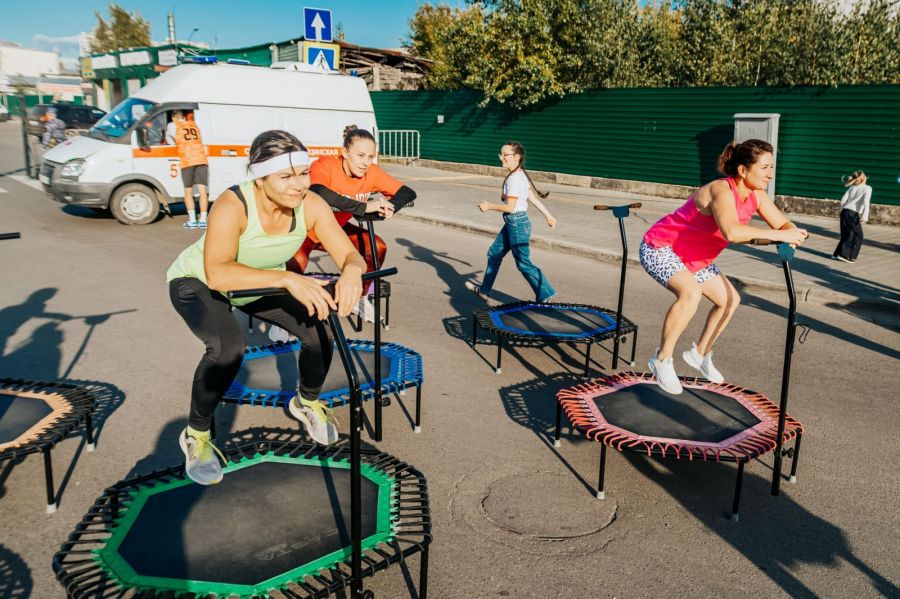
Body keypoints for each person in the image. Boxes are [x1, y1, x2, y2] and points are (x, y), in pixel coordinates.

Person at [166, 130, 367, 485]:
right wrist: (288, 279)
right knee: (228, 349)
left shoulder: (311, 204)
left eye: (303, 173)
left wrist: (352, 271)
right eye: (285, 176)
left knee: (319, 329)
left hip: (260, 282)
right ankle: (196, 435)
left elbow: (350, 254)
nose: (298, 185)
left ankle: (306, 401)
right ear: (260, 179)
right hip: (199, 281)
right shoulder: (233, 204)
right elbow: (218, 272)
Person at [639, 139, 808, 395]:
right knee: (690, 293)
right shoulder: (721, 190)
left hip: (696, 258)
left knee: (730, 300)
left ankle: (699, 354)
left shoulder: (757, 196)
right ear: (743, 170)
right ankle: (662, 359)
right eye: (764, 168)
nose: (770, 174)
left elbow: (783, 225)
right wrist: (781, 236)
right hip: (661, 247)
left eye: (772, 167)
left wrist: (793, 233)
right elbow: (732, 232)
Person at [288, 125, 417, 322]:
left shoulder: (371, 172)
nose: (366, 162)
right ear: (345, 152)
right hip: (304, 229)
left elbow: (407, 192)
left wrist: (390, 207)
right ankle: (287, 312)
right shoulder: (325, 165)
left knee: (377, 246)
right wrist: (363, 207)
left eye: (370, 157)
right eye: (360, 155)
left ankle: (359, 297)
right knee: (296, 262)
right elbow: (317, 190)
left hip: (334, 231)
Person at [465, 141, 557, 303]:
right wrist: (549, 216)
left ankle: (545, 294)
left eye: (505, 155)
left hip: (517, 224)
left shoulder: (515, 179)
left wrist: (489, 206)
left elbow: (510, 207)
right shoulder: (519, 175)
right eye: (500, 154)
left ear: (517, 157)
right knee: (494, 254)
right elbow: (532, 198)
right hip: (513, 223)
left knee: (523, 263)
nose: (501, 157)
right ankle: (484, 291)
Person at [168, 110, 210, 230]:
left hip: (187, 160)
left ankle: (192, 221)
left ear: (174, 118)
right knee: (203, 192)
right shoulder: (194, 124)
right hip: (201, 159)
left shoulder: (172, 125)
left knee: (188, 192)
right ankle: (203, 221)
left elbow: (171, 142)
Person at [833, 170, 871, 263]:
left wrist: (842, 210)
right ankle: (845, 256)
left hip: (845, 211)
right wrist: (864, 217)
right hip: (852, 213)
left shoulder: (852, 187)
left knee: (845, 234)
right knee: (858, 235)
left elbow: (843, 200)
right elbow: (866, 203)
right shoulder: (867, 188)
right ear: (863, 178)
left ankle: (837, 254)